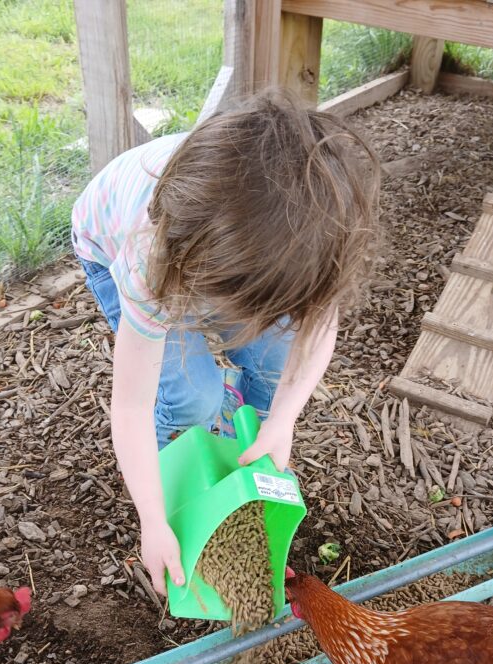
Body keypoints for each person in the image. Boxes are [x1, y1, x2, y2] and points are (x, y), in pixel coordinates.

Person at [71, 89, 379, 596]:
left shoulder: (318, 235)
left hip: (231, 253)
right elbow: (130, 404)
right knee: (191, 397)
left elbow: (320, 326)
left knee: (276, 363)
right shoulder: (149, 261)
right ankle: (182, 467)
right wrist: (153, 520)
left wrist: (282, 421)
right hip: (114, 243)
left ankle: (244, 457)